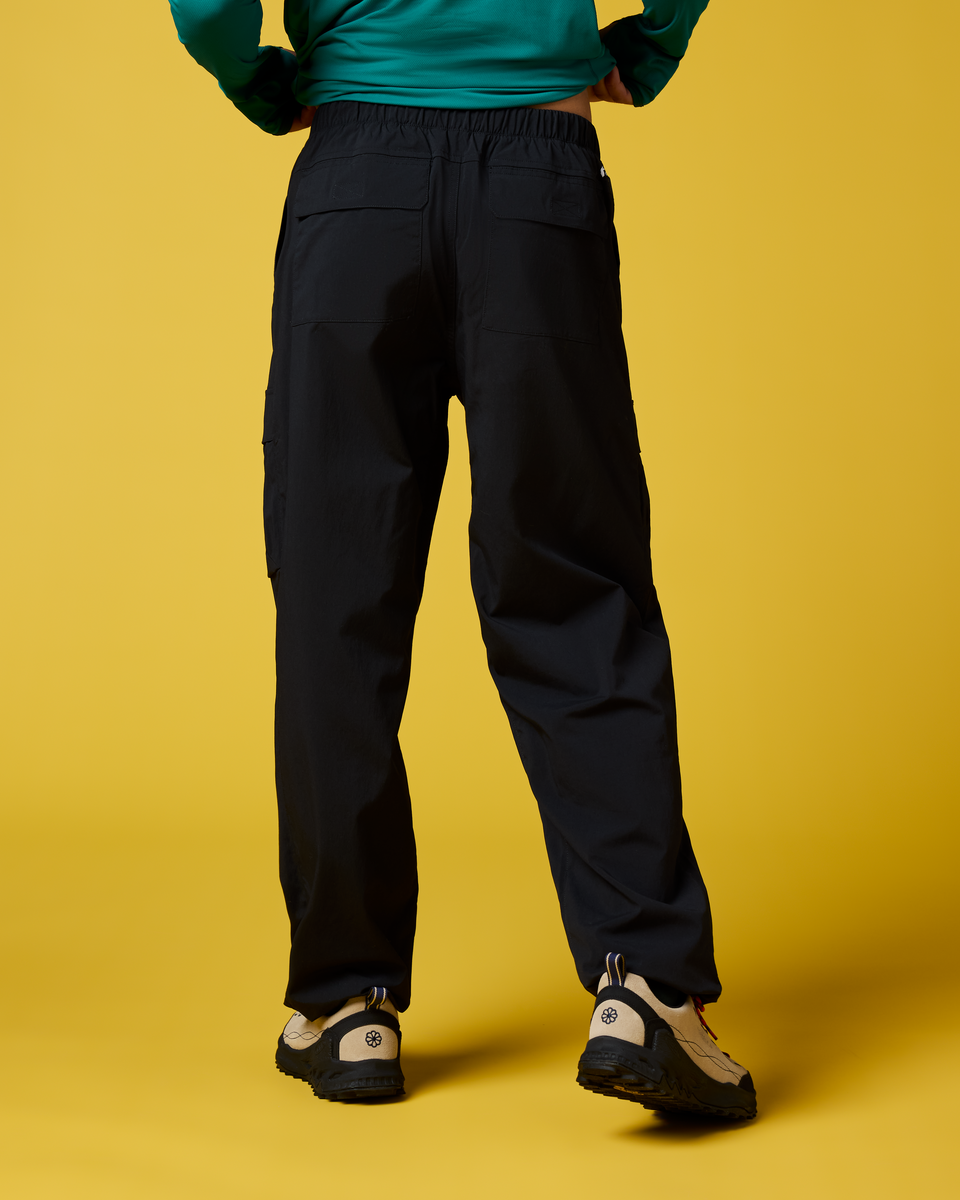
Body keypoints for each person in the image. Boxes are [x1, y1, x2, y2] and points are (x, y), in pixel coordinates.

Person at [167, 0, 757, 1119]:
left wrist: (263, 82)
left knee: (337, 601)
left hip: (358, 181)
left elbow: (206, 6)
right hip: (540, 186)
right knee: (576, 587)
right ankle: (647, 992)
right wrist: (646, 49)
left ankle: (349, 1005)